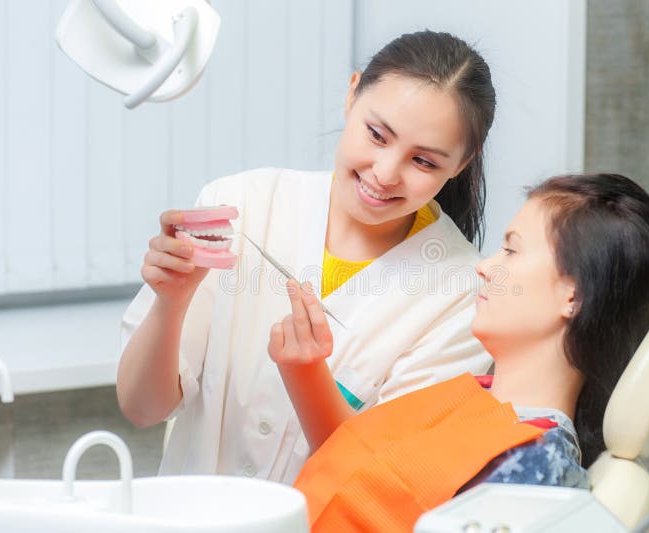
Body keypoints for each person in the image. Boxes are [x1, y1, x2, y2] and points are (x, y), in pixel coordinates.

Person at [117, 30, 498, 483]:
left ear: (462, 162)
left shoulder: (461, 295)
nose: (385, 173)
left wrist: (307, 375)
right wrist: (171, 303)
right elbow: (141, 408)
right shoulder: (241, 203)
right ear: (352, 94)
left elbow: (383, 478)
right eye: (377, 135)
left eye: (424, 162)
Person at [272, 173, 649, 532]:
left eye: (511, 249)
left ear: (573, 295)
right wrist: (304, 369)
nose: (484, 266)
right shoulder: (469, 395)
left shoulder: (534, 468)